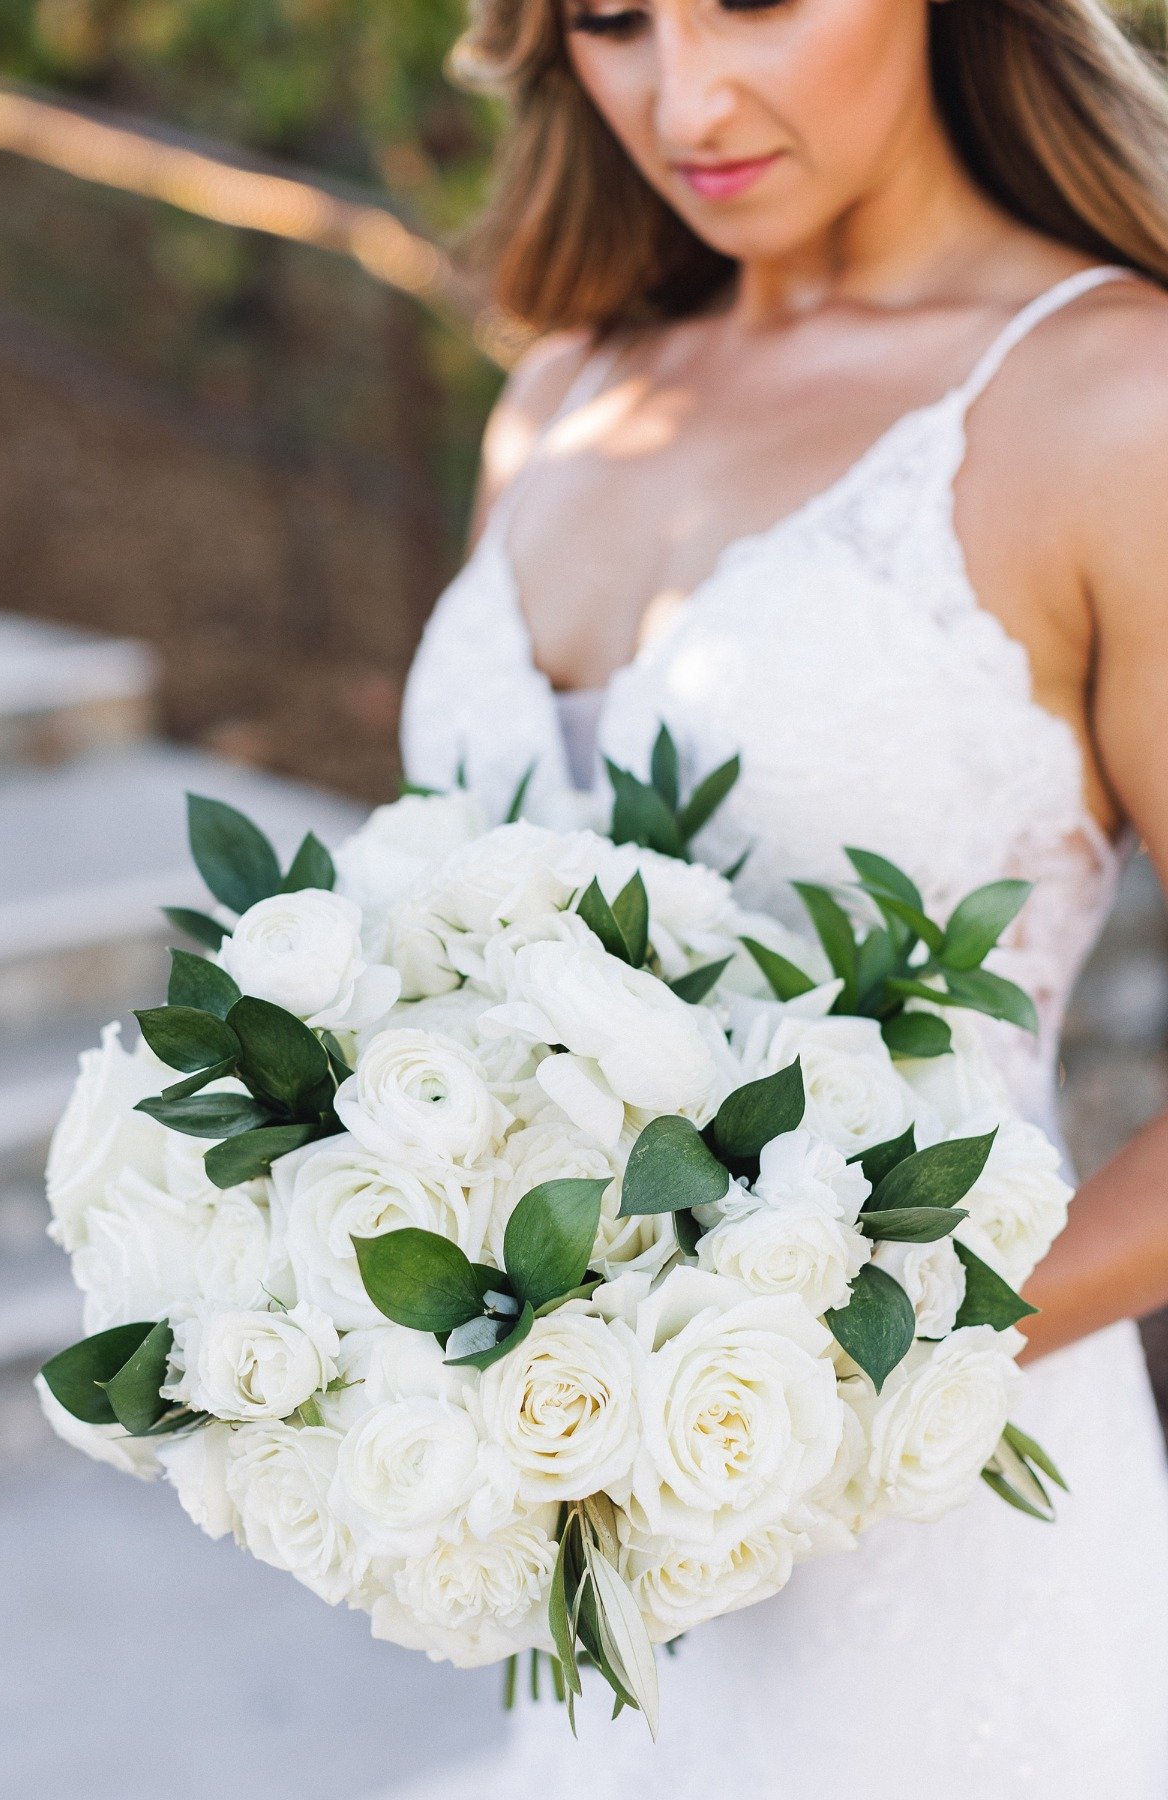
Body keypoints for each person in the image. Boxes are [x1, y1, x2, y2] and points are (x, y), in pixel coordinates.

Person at [396, 1, 1168, 1792]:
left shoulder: (1116, 399)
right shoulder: (564, 393)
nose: (689, 93)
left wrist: (813, 1370)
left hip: (952, 1546)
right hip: (599, 1582)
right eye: (610, 19)